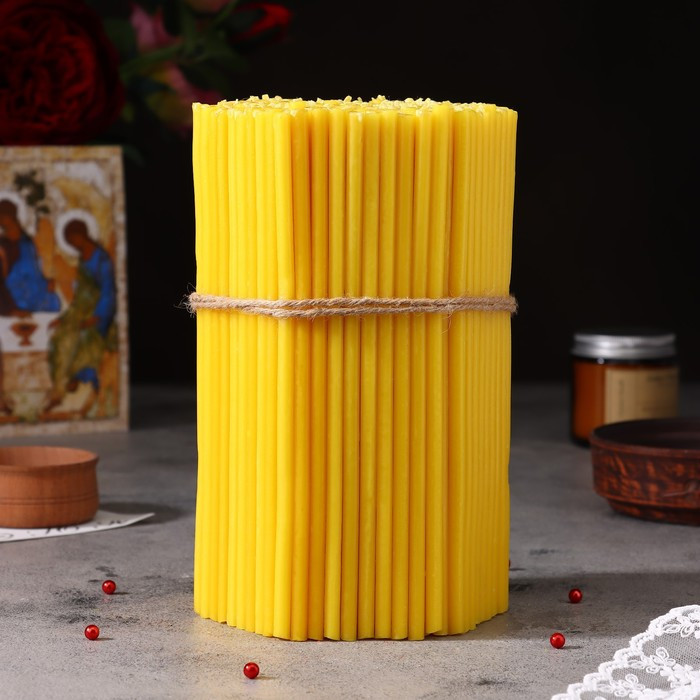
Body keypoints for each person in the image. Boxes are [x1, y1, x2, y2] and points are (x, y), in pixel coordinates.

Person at [45, 218, 117, 415]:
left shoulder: (101, 259)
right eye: (68, 241)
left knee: (84, 338)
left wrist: (97, 316)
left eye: (73, 239)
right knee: (59, 336)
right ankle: (59, 388)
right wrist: (63, 318)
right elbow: (79, 297)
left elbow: (108, 292)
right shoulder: (83, 259)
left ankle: (80, 379)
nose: (72, 244)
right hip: (81, 311)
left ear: (81, 235)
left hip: (101, 314)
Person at [0, 199, 59, 313]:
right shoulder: (2, 245)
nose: (0, 219)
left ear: (12, 215)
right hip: (14, 297)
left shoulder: (28, 242)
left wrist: (48, 282)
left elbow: (36, 271)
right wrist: (12, 309)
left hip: (36, 292)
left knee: (53, 302)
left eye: (3, 215)